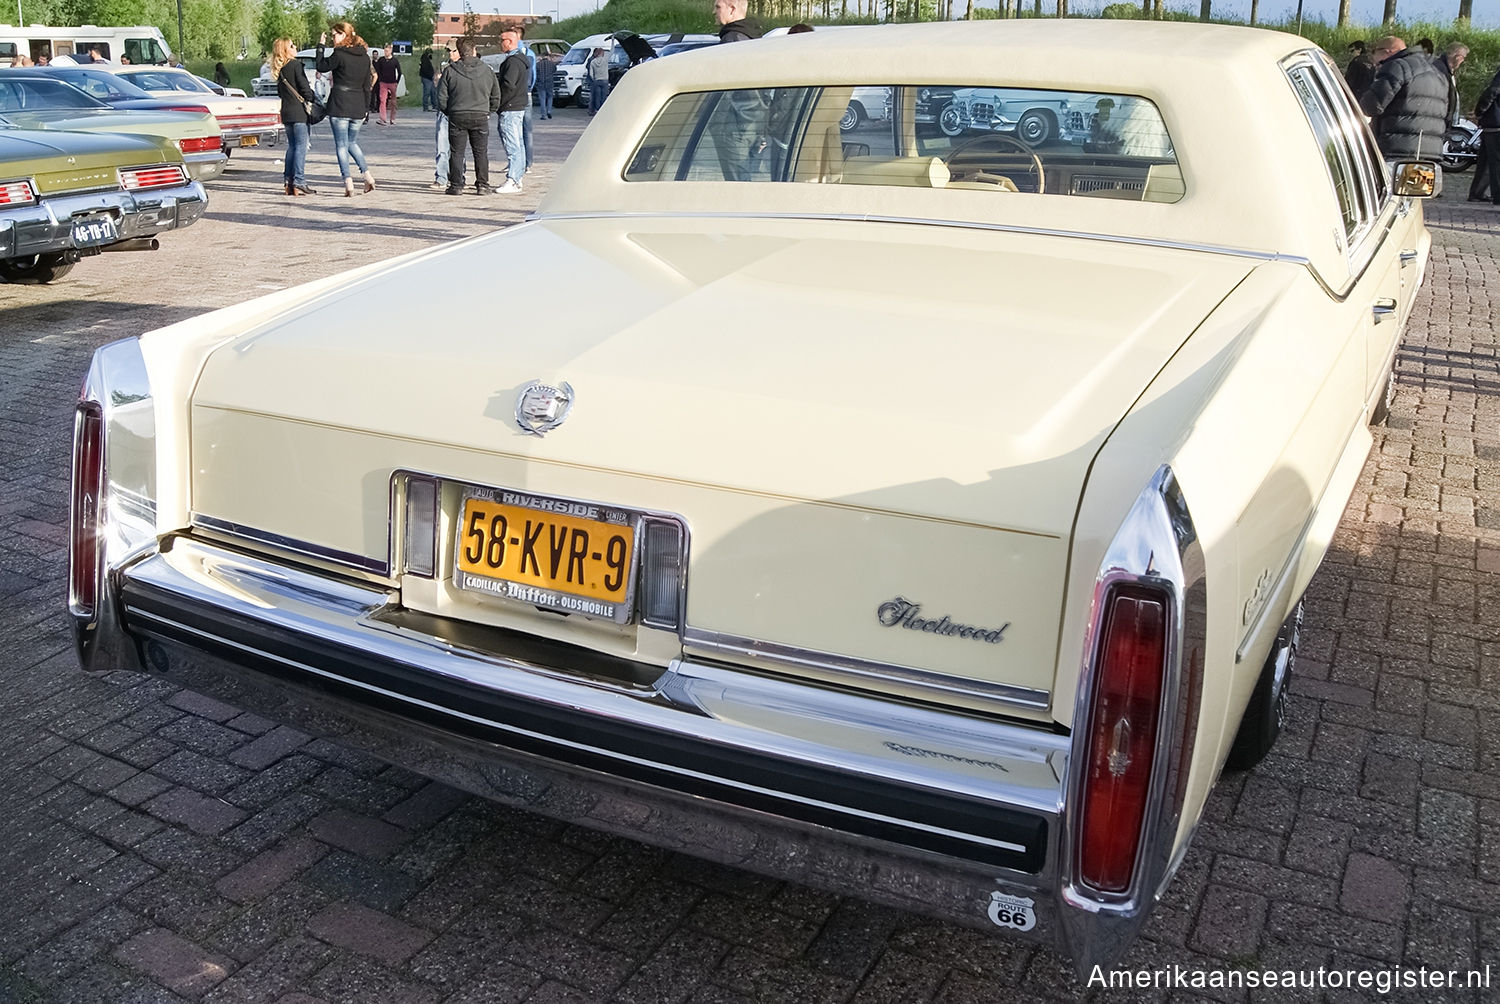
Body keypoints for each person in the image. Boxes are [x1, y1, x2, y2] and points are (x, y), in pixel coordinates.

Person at [1360, 37, 1448, 162]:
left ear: (1387, 51)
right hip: (1431, 153)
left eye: (1374, 53)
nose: (1374, 62)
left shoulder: (1396, 66)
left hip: (1397, 149)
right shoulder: (1438, 73)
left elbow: (1371, 105)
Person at [317, 21, 377, 197]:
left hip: (340, 104)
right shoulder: (364, 57)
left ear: (343, 35)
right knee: (352, 143)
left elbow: (321, 66)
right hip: (358, 105)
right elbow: (367, 85)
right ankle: (367, 175)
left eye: (334, 34)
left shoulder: (339, 54)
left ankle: (348, 182)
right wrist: (366, 108)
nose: (332, 38)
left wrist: (320, 46)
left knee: (341, 145)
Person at [436, 35, 499, 195]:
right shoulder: (487, 70)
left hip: (457, 115)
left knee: (457, 152)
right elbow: (496, 95)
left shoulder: (450, 71)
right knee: (480, 151)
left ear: (460, 51)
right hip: (480, 114)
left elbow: (441, 97)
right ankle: (483, 185)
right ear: (474, 50)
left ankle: (456, 185)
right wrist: (489, 111)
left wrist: (449, 112)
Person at [272, 37, 317, 196]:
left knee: (292, 147)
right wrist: (312, 96)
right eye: (292, 45)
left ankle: (288, 181)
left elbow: (280, 92)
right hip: (299, 113)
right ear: (286, 50)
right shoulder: (296, 66)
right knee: (301, 147)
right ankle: (299, 181)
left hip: (286, 112)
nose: (295, 46)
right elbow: (305, 89)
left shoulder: (281, 69)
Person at [495, 26, 530, 193]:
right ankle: (518, 176)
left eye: (502, 40)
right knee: (519, 144)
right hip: (518, 105)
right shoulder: (521, 59)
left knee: (513, 145)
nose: (500, 43)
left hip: (510, 107)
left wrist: (499, 103)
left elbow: (508, 85)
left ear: (509, 42)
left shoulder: (512, 62)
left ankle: (513, 179)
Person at [431, 44, 466, 191]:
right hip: (444, 112)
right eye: (449, 51)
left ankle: (459, 176)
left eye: (454, 51)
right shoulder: (445, 67)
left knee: (458, 148)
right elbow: (439, 91)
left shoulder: (464, 68)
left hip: (458, 111)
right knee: (442, 146)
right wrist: (437, 81)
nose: (451, 54)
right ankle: (441, 177)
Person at [1471, 63, 1500, 205]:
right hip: (1496, 123)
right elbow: (1492, 92)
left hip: (1492, 123)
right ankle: (1498, 195)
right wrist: (1480, 111)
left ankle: (1477, 192)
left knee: (1486, 160)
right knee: (1495, 162)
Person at [1436, 42, 1468, 127]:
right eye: (1463, 58)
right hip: (1438, 120)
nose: (1463, 61)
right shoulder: (1440, 70)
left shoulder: (1447, 71)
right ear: (1458, 57)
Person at [375, 43, 402, 124]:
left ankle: (392, 118)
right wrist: (380, 80)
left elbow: (399, 72)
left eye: (387, 51)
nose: (385, 52)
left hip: (392, 82)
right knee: (382, 100)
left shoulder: (395, 60)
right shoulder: (381, 60)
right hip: (383, 83)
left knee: (393, 102)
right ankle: (383, 118)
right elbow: (378, 71)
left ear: (390, 51)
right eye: (385, 51)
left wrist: (397, 82)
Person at [585, 46, 609, 116]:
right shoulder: (605, 61)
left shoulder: (592, 61)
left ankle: (597, 109)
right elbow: (612, 51)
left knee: (597, 96)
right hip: (604, 80)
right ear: (602, 53)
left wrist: (594, 79)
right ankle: (603, 110)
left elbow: (591, 73)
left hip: (596, 80)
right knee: (603, 96)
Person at [535, 47, 555, 119]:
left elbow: (536, 73)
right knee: (550, 97)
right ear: (548, 56)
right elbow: (554, 70)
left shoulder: (538, 64)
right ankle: (549, 111)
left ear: (542, 56)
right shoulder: (552, 64)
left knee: (542, 99)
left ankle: (543, 115)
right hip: (550, 82)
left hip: (541, 83)